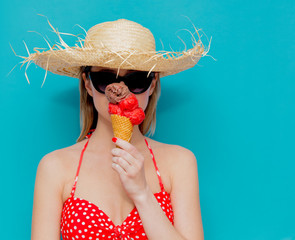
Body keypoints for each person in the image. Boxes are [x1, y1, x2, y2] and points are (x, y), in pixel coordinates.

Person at [20, 18, 210, 240]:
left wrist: (142, 194)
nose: (121, 92)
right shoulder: (55, 167)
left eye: (137, 79)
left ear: (153, 84)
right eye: (105, 79)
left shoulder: (179, 162)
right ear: (88, 84)